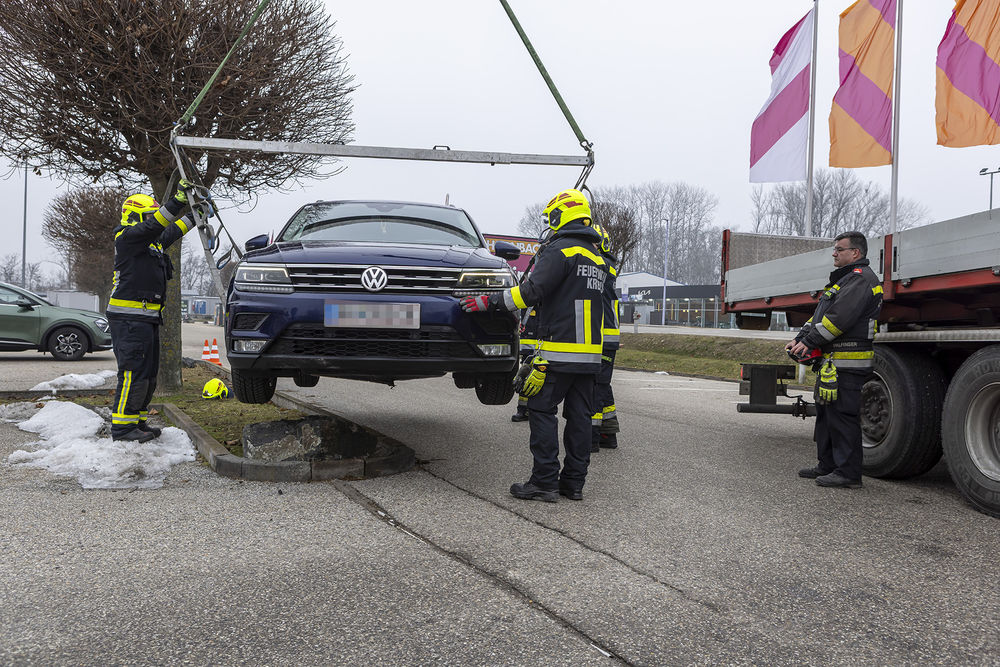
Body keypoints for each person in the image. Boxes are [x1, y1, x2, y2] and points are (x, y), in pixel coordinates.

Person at [462, 188, 605, 502]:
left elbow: (530, 292)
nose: (550, 223)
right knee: (580, 419)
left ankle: (544, 481)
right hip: (589, 357)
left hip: (557, 353)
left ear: (561, 215)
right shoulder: (596, 256)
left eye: (552, 217)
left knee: (541, 411)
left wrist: (489, 301)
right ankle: (573, 484)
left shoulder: (559, 250)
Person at [107, 181, 205, 442]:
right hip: (129, 319)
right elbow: (155, 225)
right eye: (149, 215)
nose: (153, 219)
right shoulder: (128, 238)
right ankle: (122, 429)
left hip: (146, 317)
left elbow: (172, 230)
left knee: (148, 374)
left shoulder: (152, 242)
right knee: (133, 373)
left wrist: (196, 214)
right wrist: (177, 200)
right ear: (136, 217)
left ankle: (137, 422)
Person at [786, 231, 883, 488]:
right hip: (833, 364)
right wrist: (800, 338)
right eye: (835, 249)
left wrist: (809, 342)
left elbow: (838, 320)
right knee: (827, 416)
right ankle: (827, 465)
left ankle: (848, 474)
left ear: (855, 253)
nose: (834, 253)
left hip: (847, 364)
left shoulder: (861, 280)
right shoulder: (845, 280)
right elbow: (819, 316)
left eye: (840, 249)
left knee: (842, 417)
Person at [591, 224, 620, 452]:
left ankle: (590, 438)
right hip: (607, 336)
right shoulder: (608, 265)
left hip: (601, 336)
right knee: (602, 385)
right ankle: (608, 433)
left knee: (594, 388)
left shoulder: (599, 265)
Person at [511, 306, 539, 422]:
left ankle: (535, 410)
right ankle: (523, 409)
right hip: (529, 338)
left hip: (541, 339)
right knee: (525, 373)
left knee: (540, 376)